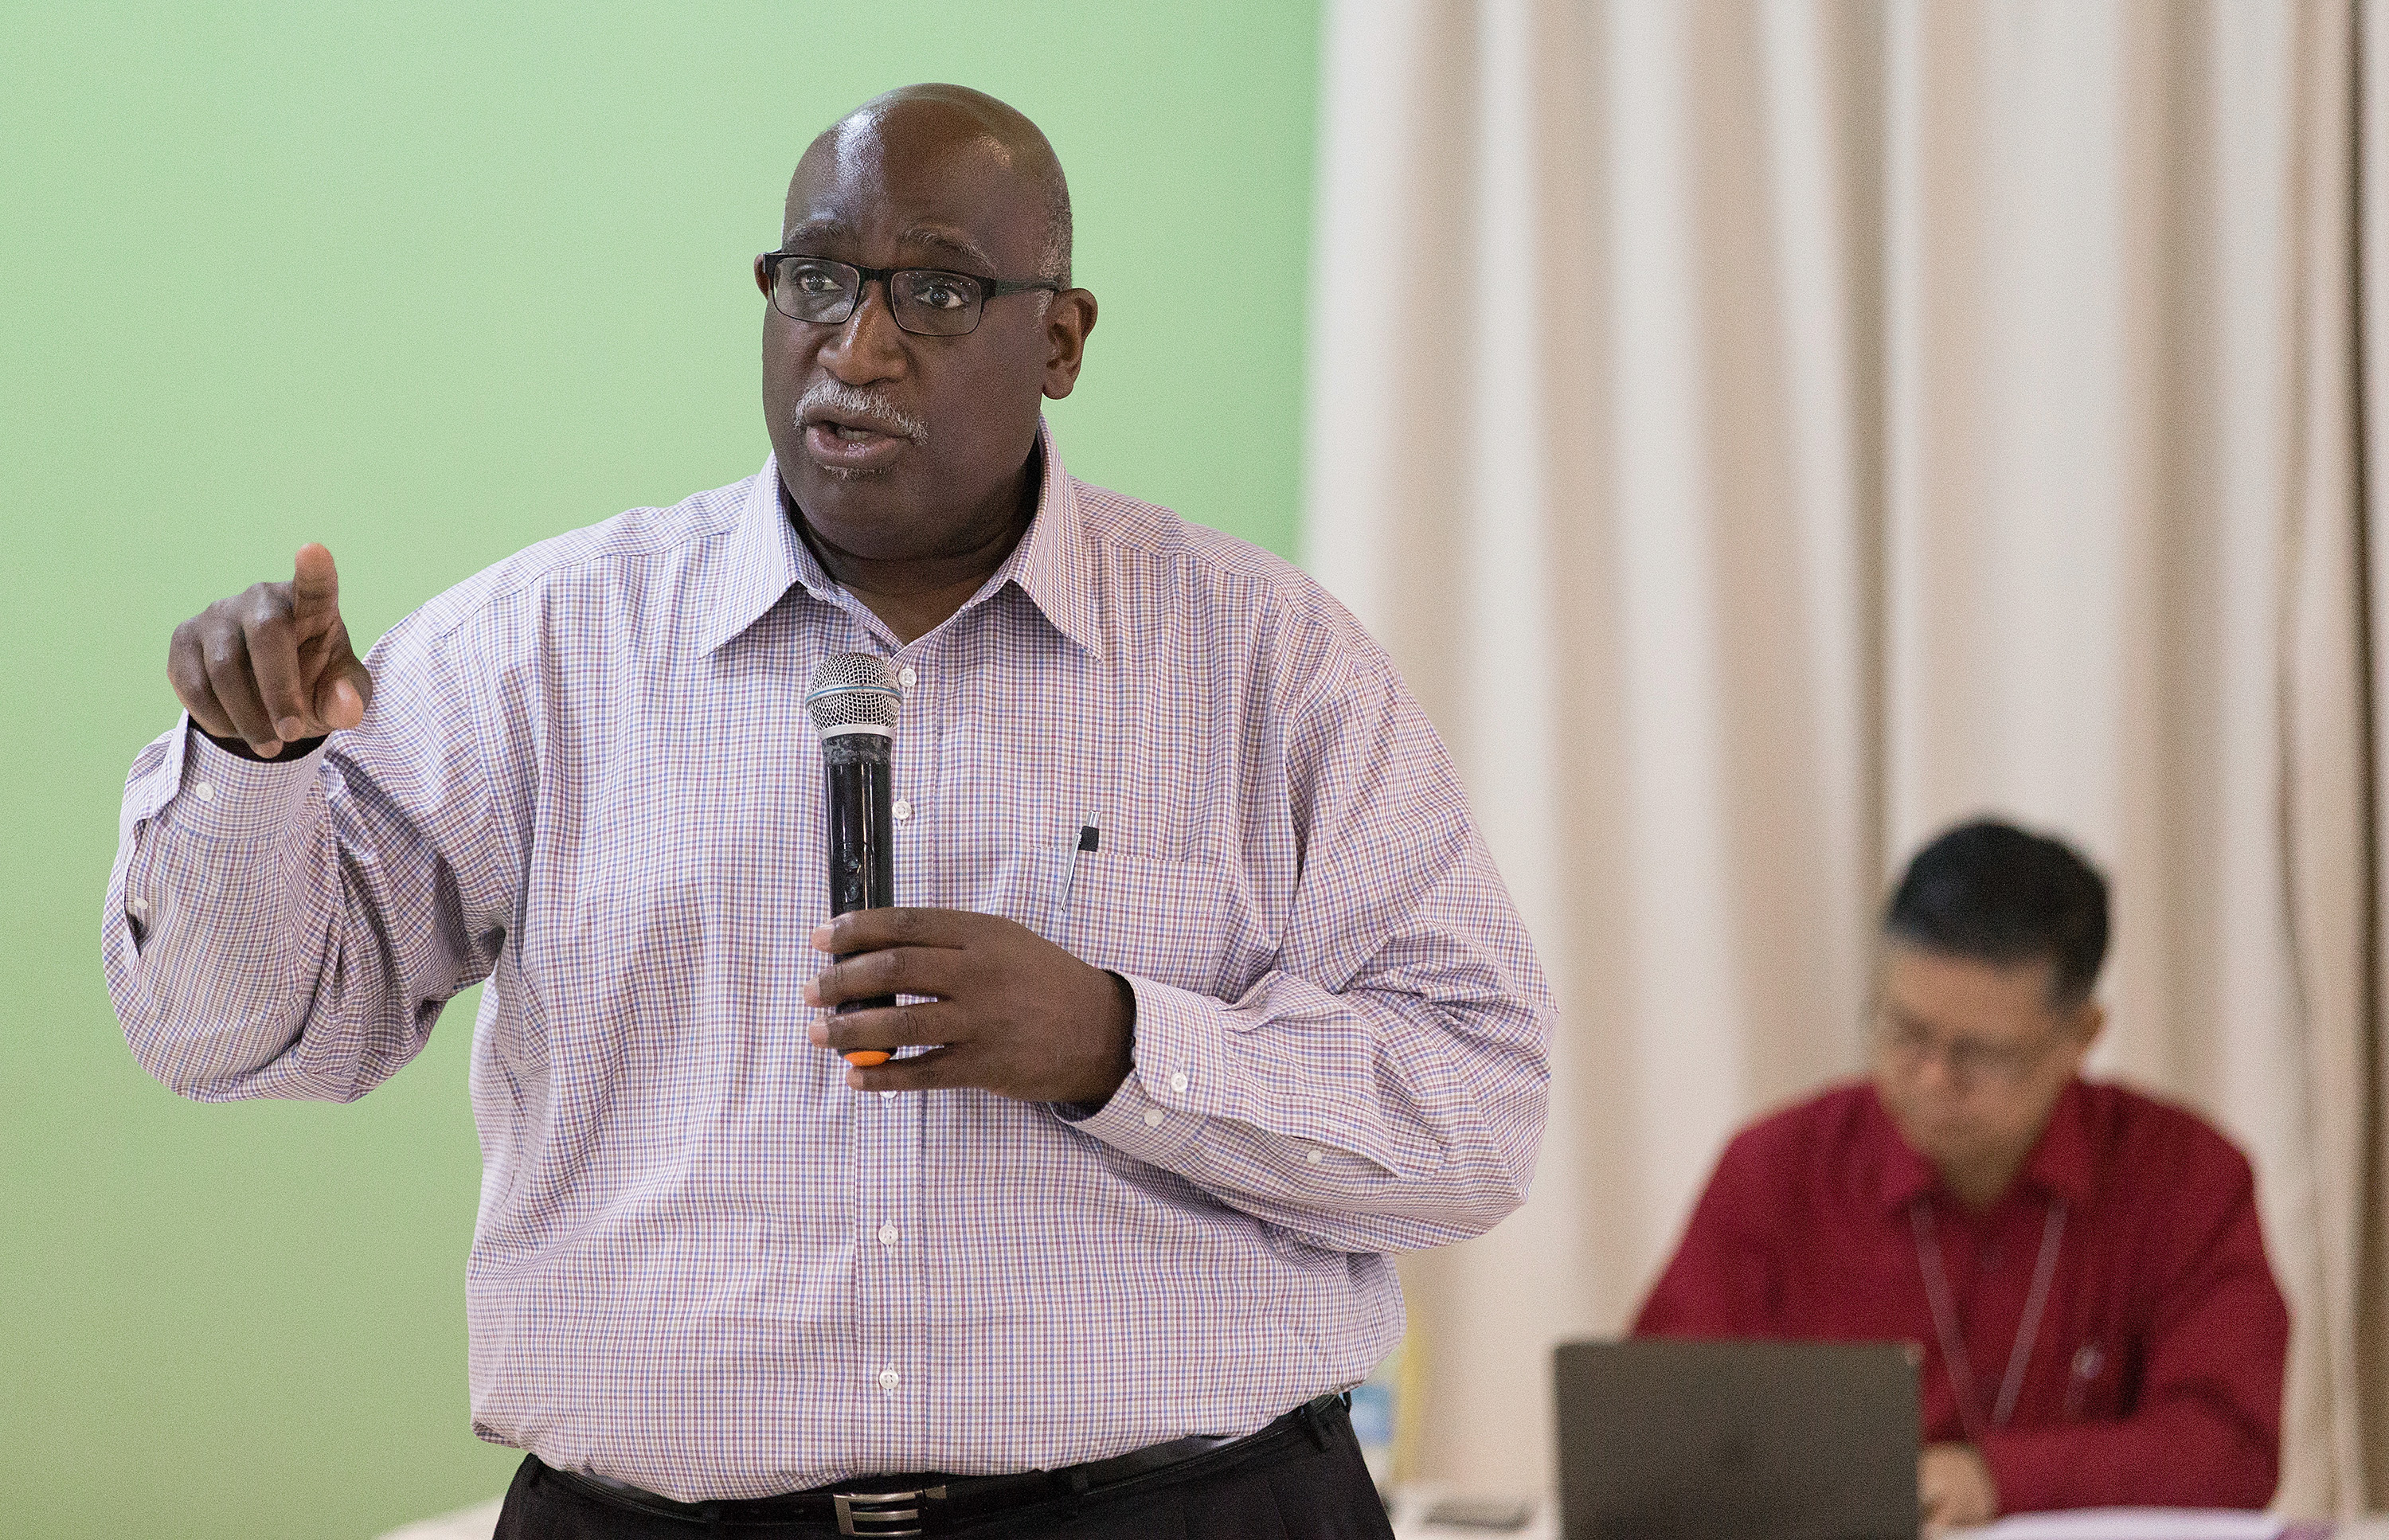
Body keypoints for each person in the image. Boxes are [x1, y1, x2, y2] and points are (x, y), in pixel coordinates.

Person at [104, 85, 1552, 1538]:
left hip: (1184, 1508)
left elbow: (1475, 1109)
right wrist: (252, 766)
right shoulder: (544, 648)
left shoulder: (1262, 659)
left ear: (1059, 339)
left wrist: (1118, 1040)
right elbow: (241, 1037)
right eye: (817, 279)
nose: (857, 347)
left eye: (934, 290)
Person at [1633, 819, 2287, 1534]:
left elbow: (2231, 1449)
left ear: (2082, 1036)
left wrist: (1997, 1478)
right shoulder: (1779, 1167)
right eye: (1904, 1033)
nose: (1933, 1080)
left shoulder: (2186, 1175)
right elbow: (1658, 1435)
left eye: (1981, 1054)